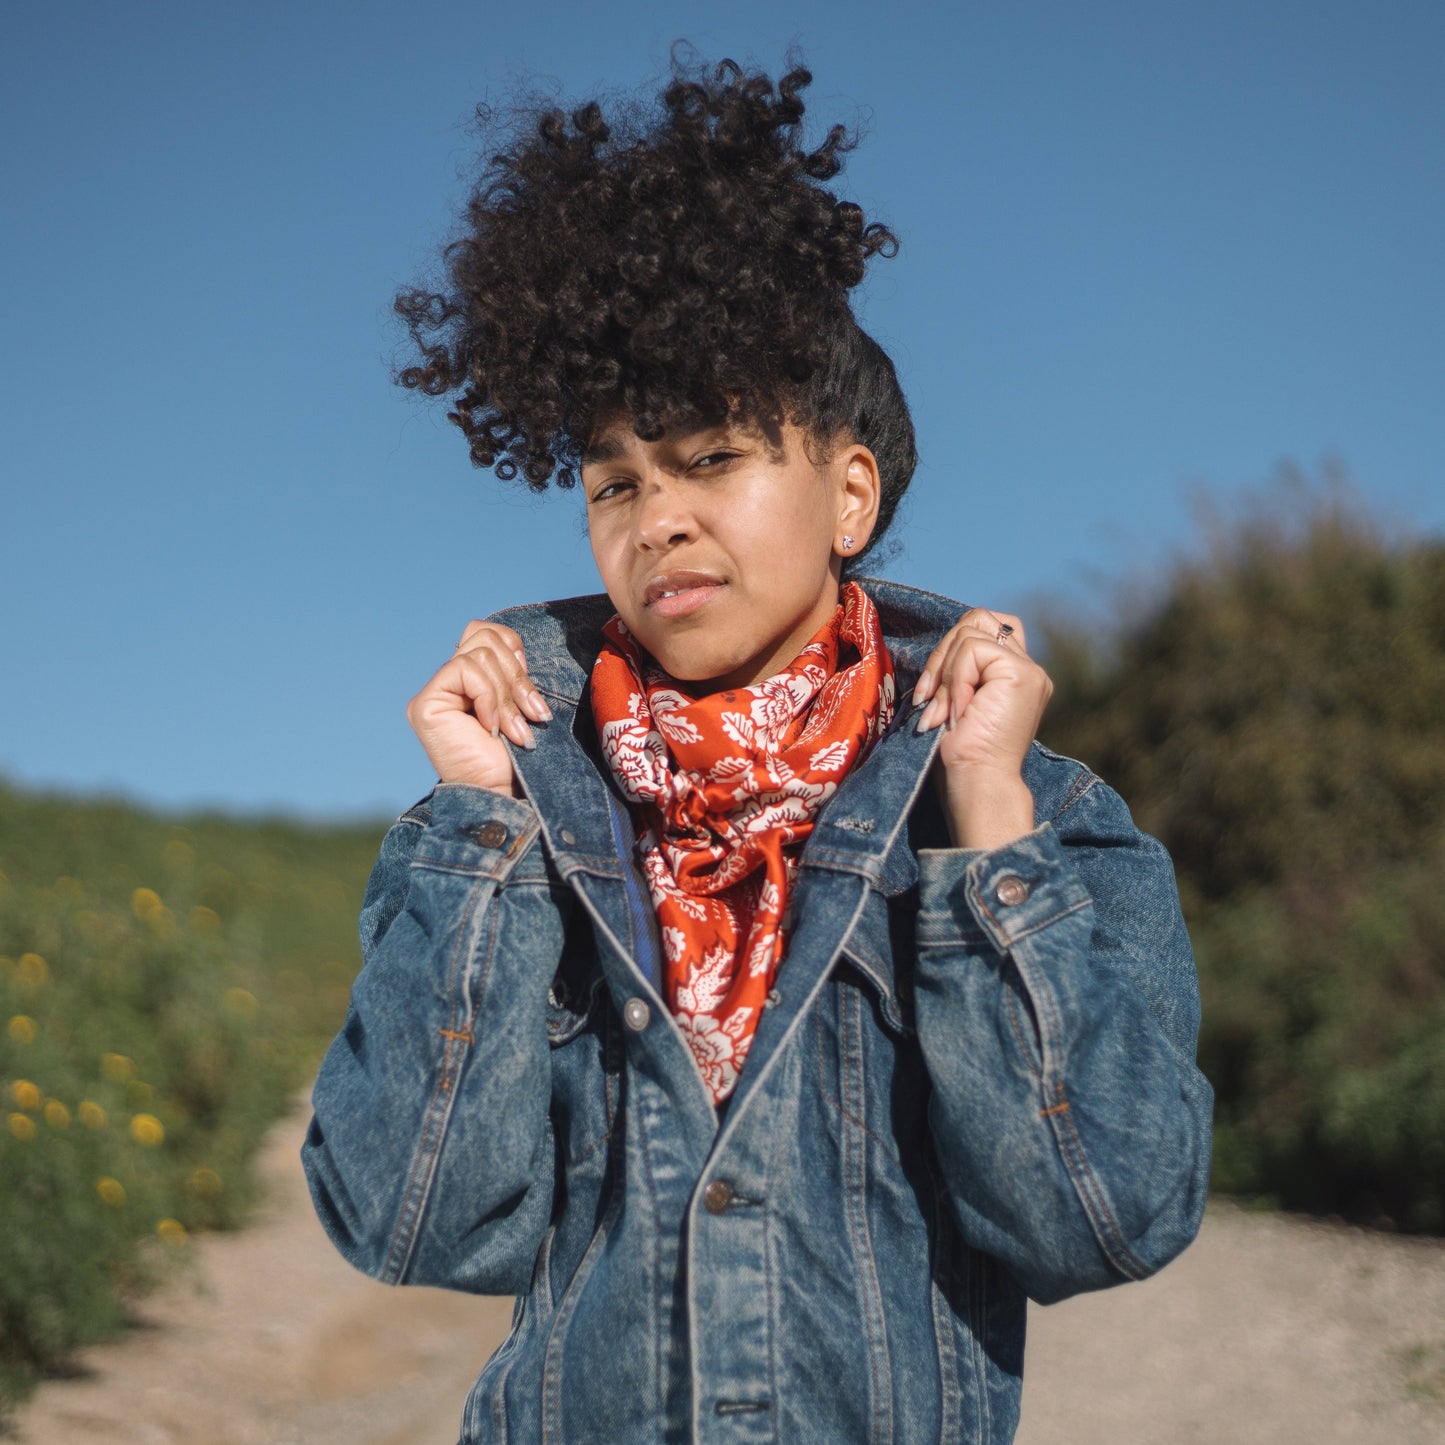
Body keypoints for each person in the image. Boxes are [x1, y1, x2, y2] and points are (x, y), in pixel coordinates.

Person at [302, 54, 1212, 1444]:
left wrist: (984, 819)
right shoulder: (513, 823)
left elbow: (1103, 1218)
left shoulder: (1032, 819)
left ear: (849, 491)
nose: (654, 516)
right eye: (614, 482)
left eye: (712, 458)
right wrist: (481, 818)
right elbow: (414, 1223)